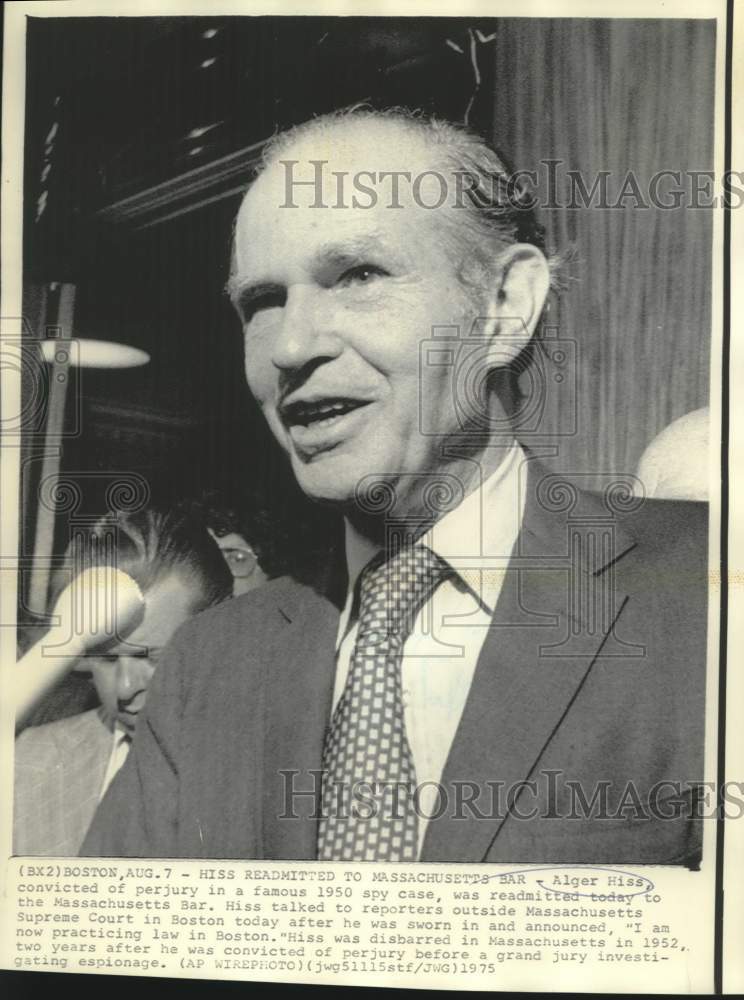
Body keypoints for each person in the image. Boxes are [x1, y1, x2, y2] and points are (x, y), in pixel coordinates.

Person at [83, 108, 708, 865]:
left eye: (358, 276)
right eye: (262, 302)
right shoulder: (207, 666)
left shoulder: (703, 595)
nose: (290, 346)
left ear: (504, 306)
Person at [13, 507, 233, 855]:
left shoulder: (263, 765)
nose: (126, 688)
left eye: (153, 657)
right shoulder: (29, 759)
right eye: (106, 658)